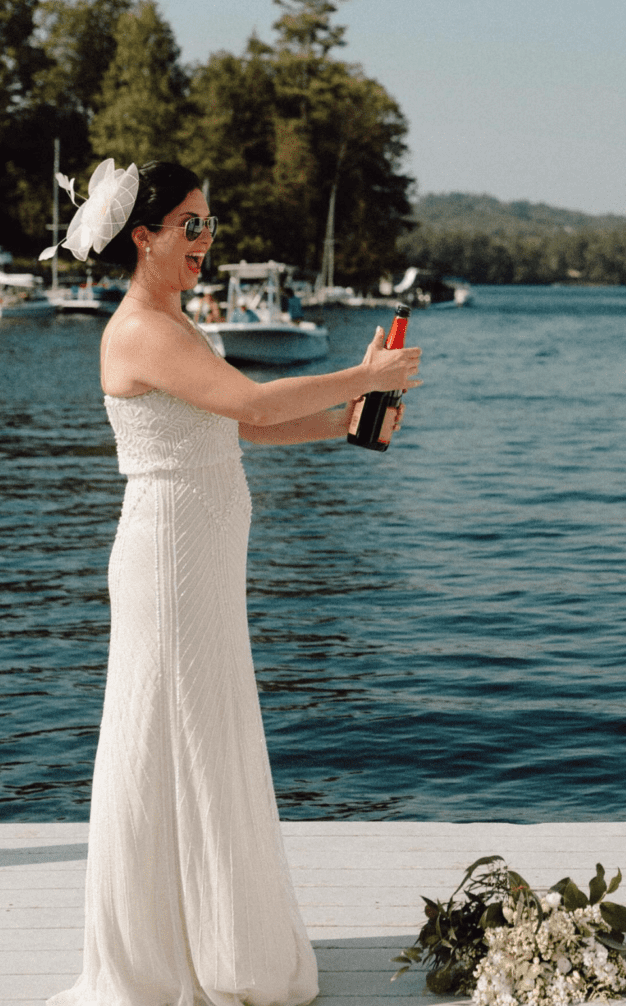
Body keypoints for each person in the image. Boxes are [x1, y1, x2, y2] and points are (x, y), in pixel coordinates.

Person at [43, 159, 421, 1006]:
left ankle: (210, 936)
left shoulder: (174, 325)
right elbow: (252, 405)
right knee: (174, 737)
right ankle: (172, 955)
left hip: (200, 554)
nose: (206, 242)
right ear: (142, 237)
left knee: (207, 735)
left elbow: (241, 434)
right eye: (191, 226)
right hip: (170, 556)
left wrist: (351, 425)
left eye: (210, 226)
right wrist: (365, 377)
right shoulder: (141, 328)